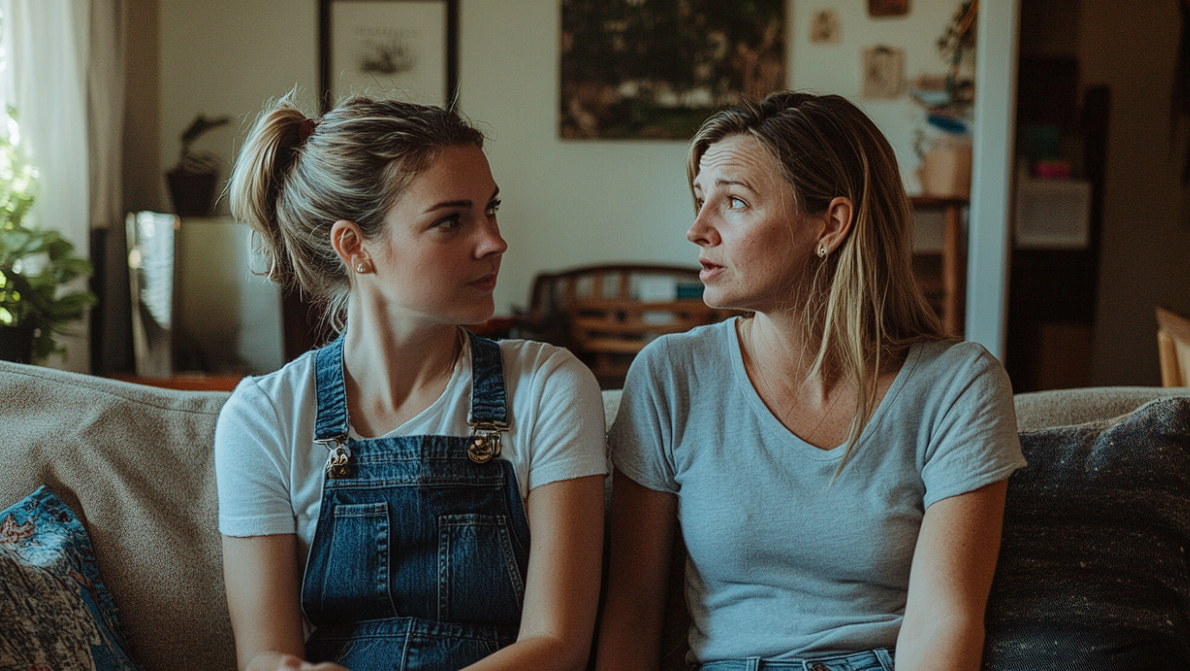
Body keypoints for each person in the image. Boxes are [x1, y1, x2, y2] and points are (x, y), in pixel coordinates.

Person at [595, 91, 1027, 671]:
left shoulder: (957, 385)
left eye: (736, 203)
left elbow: (945, 619)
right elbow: (634, 612)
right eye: (701, 200)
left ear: (831, 223)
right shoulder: (671, 376)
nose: (698, 229)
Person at [216, 92, 607, 671]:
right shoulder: (263, 416)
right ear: (355, 247)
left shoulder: (549, 386)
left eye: (490, 209)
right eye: (451, 221)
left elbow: (559, 645)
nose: (494, 241)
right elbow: (266, 656)